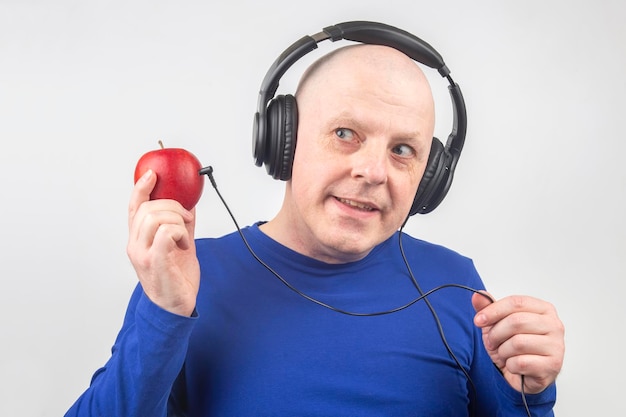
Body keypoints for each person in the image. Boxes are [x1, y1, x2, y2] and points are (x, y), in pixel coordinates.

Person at [65, 38, 565, 416]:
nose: (373, 172)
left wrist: (531, 391)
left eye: (403, 150)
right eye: (346, 134)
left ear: (429, 176)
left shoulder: (458, 286)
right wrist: (164, 314)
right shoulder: (191, 275)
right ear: (284, 139)